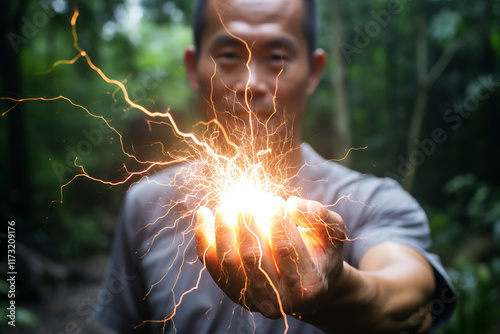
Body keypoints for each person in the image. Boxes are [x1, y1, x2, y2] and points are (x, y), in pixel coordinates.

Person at [96, 0, 456, 333]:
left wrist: (336, 289)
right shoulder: (147, 206)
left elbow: (406, 296)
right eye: (228, 55)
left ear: (314, 72)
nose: (251, 84)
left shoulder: (374, 202)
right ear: (193, 68)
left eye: (277, 57)